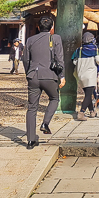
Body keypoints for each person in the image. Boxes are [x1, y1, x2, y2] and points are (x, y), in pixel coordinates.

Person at [21, 14, 65, 149]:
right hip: (49, 75)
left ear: (38, 27)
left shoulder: (30, 40)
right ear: (52, 27)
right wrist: (62, 75)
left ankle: (30, 140)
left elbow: (25, 59)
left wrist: (29, 72)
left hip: (33, 75)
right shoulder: (55, 38)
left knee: (32, 107)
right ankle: (45, 123)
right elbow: (59, 58)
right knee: (54, 98)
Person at [72, 32, 99, 121]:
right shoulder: (94, 49)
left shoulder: (79, 50)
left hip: (80, 74)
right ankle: (81, 112)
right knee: (89, 95)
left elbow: (74, 61)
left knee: (87, 94)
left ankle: (92, 111)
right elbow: (98, 60)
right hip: (90, 75)